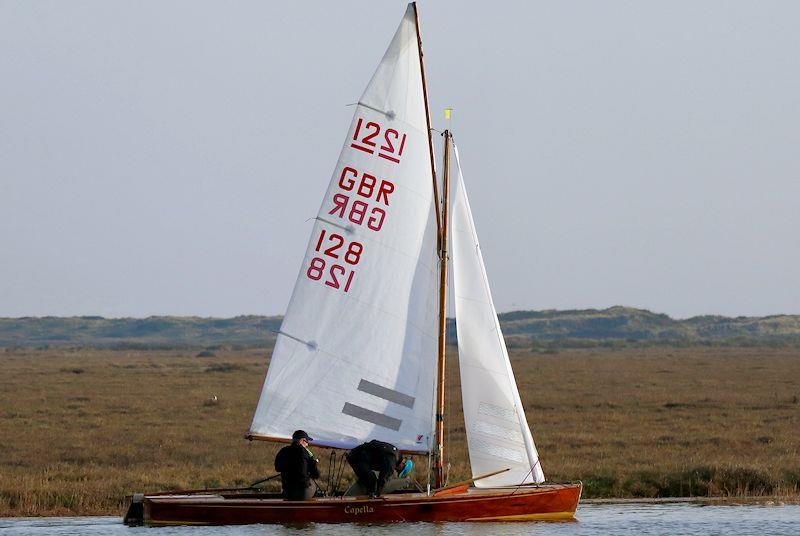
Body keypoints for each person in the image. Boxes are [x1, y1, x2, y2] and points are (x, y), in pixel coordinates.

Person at [346, 439, 412, 497]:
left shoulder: (396, 454)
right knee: (371, 480)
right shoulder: (392, 460)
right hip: (357, 457)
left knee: (370, 479)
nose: (396, 470)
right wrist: (378, 494)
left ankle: (365, 496)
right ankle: (367, 501)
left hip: (358, 456)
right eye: (399, 470)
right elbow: (382, 479)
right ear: (403, 463)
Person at [274, 430, 320, 500]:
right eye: (307, 442)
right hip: (302, 492)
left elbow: (277, 468)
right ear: (302, 440)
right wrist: (314, 463)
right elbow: (316, 475)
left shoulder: (283, 451)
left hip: (287, 492)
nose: (307, 444)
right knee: (313, 484)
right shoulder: (306, 452)